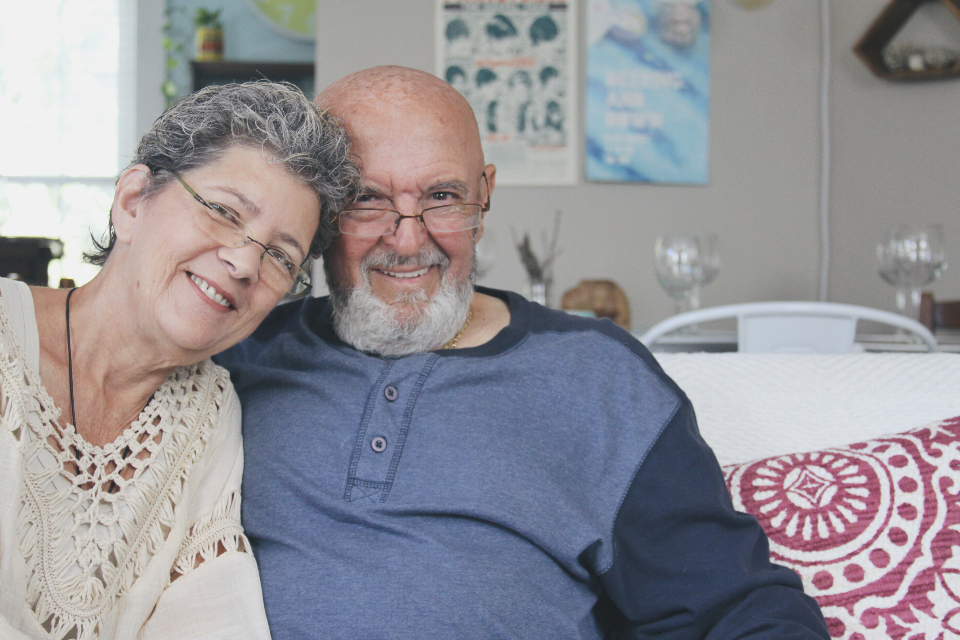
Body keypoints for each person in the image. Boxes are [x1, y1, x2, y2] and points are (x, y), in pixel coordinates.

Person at [217, 66, 829, 639]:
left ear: (484, 195)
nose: (407, 240)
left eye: (442, 197)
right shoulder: (235, 354)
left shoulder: (598, 377)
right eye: (366, 199)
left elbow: (739, 610)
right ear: (318, 209)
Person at [0, 81, 358, 640]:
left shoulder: (207, 413)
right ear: (133, 201)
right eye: (222, 211)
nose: (244, 263)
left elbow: (213, 620)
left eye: (280, 257)